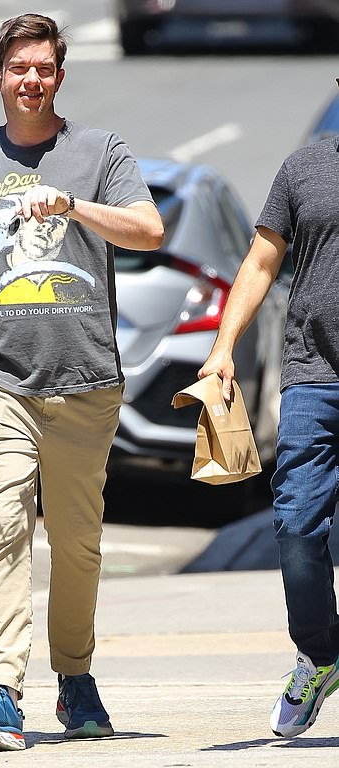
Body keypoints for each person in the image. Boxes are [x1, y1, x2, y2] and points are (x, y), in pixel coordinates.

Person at [0, 13, 164, 753]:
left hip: (84, 381)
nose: (31, 81)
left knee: (79, 545)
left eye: (44, 69)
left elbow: (149, 230)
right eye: (18, 69)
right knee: (3, 524)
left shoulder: (99, 152)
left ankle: (75, 678)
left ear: (59, 75)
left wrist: (71, 204)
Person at [199, 90, 339, 739]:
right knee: (297, 523)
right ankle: (320, 652)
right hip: (315, 373)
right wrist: (224, 347)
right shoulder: (303, 168)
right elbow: (260, 260)